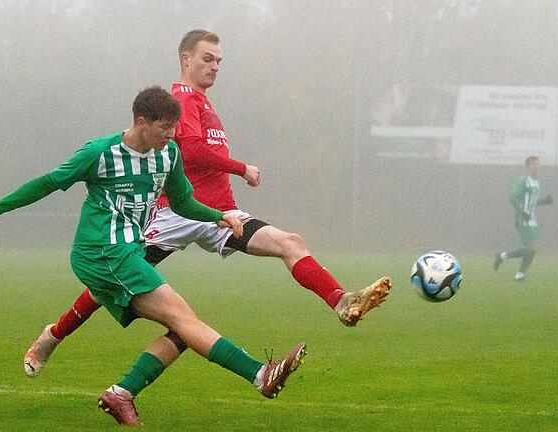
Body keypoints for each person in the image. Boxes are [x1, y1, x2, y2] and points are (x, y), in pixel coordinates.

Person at [23, 29, 392, 381]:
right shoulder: (181, 99)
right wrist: (241, 168)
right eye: (207, 58)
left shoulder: (201, 101)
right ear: (186, 59)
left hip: (218, 215)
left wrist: (225, 203)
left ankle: (342, 300)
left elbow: (199, 151)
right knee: (107, 284)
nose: (215, 66)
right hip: (175, 215)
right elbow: (194, 151)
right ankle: (52, 337)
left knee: (289, 243)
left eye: (219, 60)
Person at [0, 86, 307, 426]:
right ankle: (260, 375)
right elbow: (50, 182)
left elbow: (181, 203)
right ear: (142, 122)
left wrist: (217, 216)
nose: (172, 134)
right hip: (101, 254)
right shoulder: (101, 153)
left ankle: (122, 393)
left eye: (174, 127)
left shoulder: (169, 154)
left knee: (182, 331)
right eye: (165, 127)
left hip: (127, 254)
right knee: (184, 320)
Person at [493, 155, 553, 281]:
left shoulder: (536, 182)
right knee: (532, 248)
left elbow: (532, 202)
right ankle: (506, 260)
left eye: (537, 164)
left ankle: (517, 272)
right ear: (527, 166)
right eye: (533, 164)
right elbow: (512, 197)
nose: (536, 166)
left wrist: (544, 202)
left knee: (531, 250)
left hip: (532, 220)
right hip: (523, 219)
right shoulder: (524, 181)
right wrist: (522, 212)